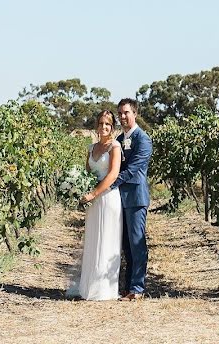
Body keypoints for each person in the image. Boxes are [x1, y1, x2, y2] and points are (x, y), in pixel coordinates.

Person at [68, 110, 123, 300]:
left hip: (108, 198)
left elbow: (113, 175)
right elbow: (86, 174)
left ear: (112, 127)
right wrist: (79, 190)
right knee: (93, 239)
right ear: (97, 126)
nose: (103, 127)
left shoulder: (115, 147)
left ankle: (105, 290)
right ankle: (90, 287)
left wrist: (94, 193)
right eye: (101, 124)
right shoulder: (91, 148)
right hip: (93, 201)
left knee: (107, 239)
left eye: (107, 124)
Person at [110, 98, 152, 301]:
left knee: (137, 243)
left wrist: (110, 184)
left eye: (126, 112)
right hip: (119, 198)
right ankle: (127, 287)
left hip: (135, 197)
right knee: (125, 244)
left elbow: (133, 169)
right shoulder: (118, 139)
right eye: (120, 113)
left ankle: (137, 288)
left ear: (135, 114)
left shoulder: (143, 139)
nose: (123, 116)